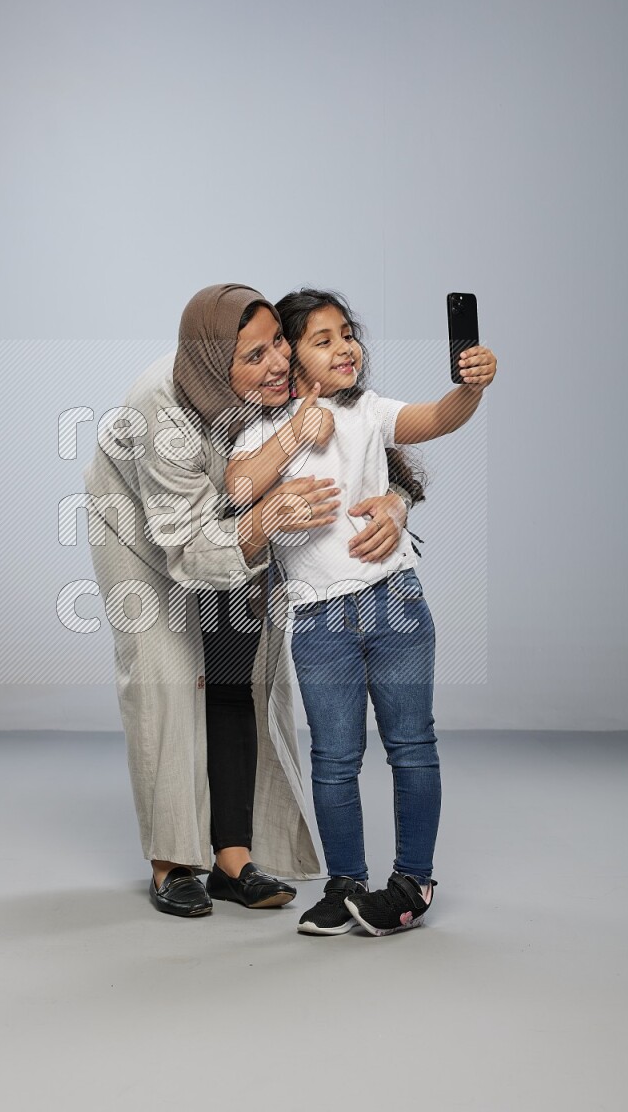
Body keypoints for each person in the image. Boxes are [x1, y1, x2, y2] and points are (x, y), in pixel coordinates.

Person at [84, 283, 415, 917]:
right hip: (146, 528)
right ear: (217, 365)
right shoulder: (161, 408)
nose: (278, 364)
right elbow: (182, 541)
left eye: (279, 345)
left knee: (241, 673)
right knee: (169, 674)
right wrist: (266, 517)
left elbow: (371, 450)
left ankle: (232, 857)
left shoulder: (286, 380)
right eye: (254, 356)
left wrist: (396, 504)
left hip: (242, 517)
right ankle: (172, 861)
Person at [225, 288, 497, 936]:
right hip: (319, 620)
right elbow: (237, 489)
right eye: (324, 339)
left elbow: (440, 417)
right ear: (291, 357)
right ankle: (345, 883)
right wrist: (295, 432)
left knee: (411, 745)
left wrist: (472, 388)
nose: (345, 346)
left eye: (347, 333)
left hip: (394, 603)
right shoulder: (262, 430)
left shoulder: (369, 412)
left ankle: (413, 881)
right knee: (334, 759)